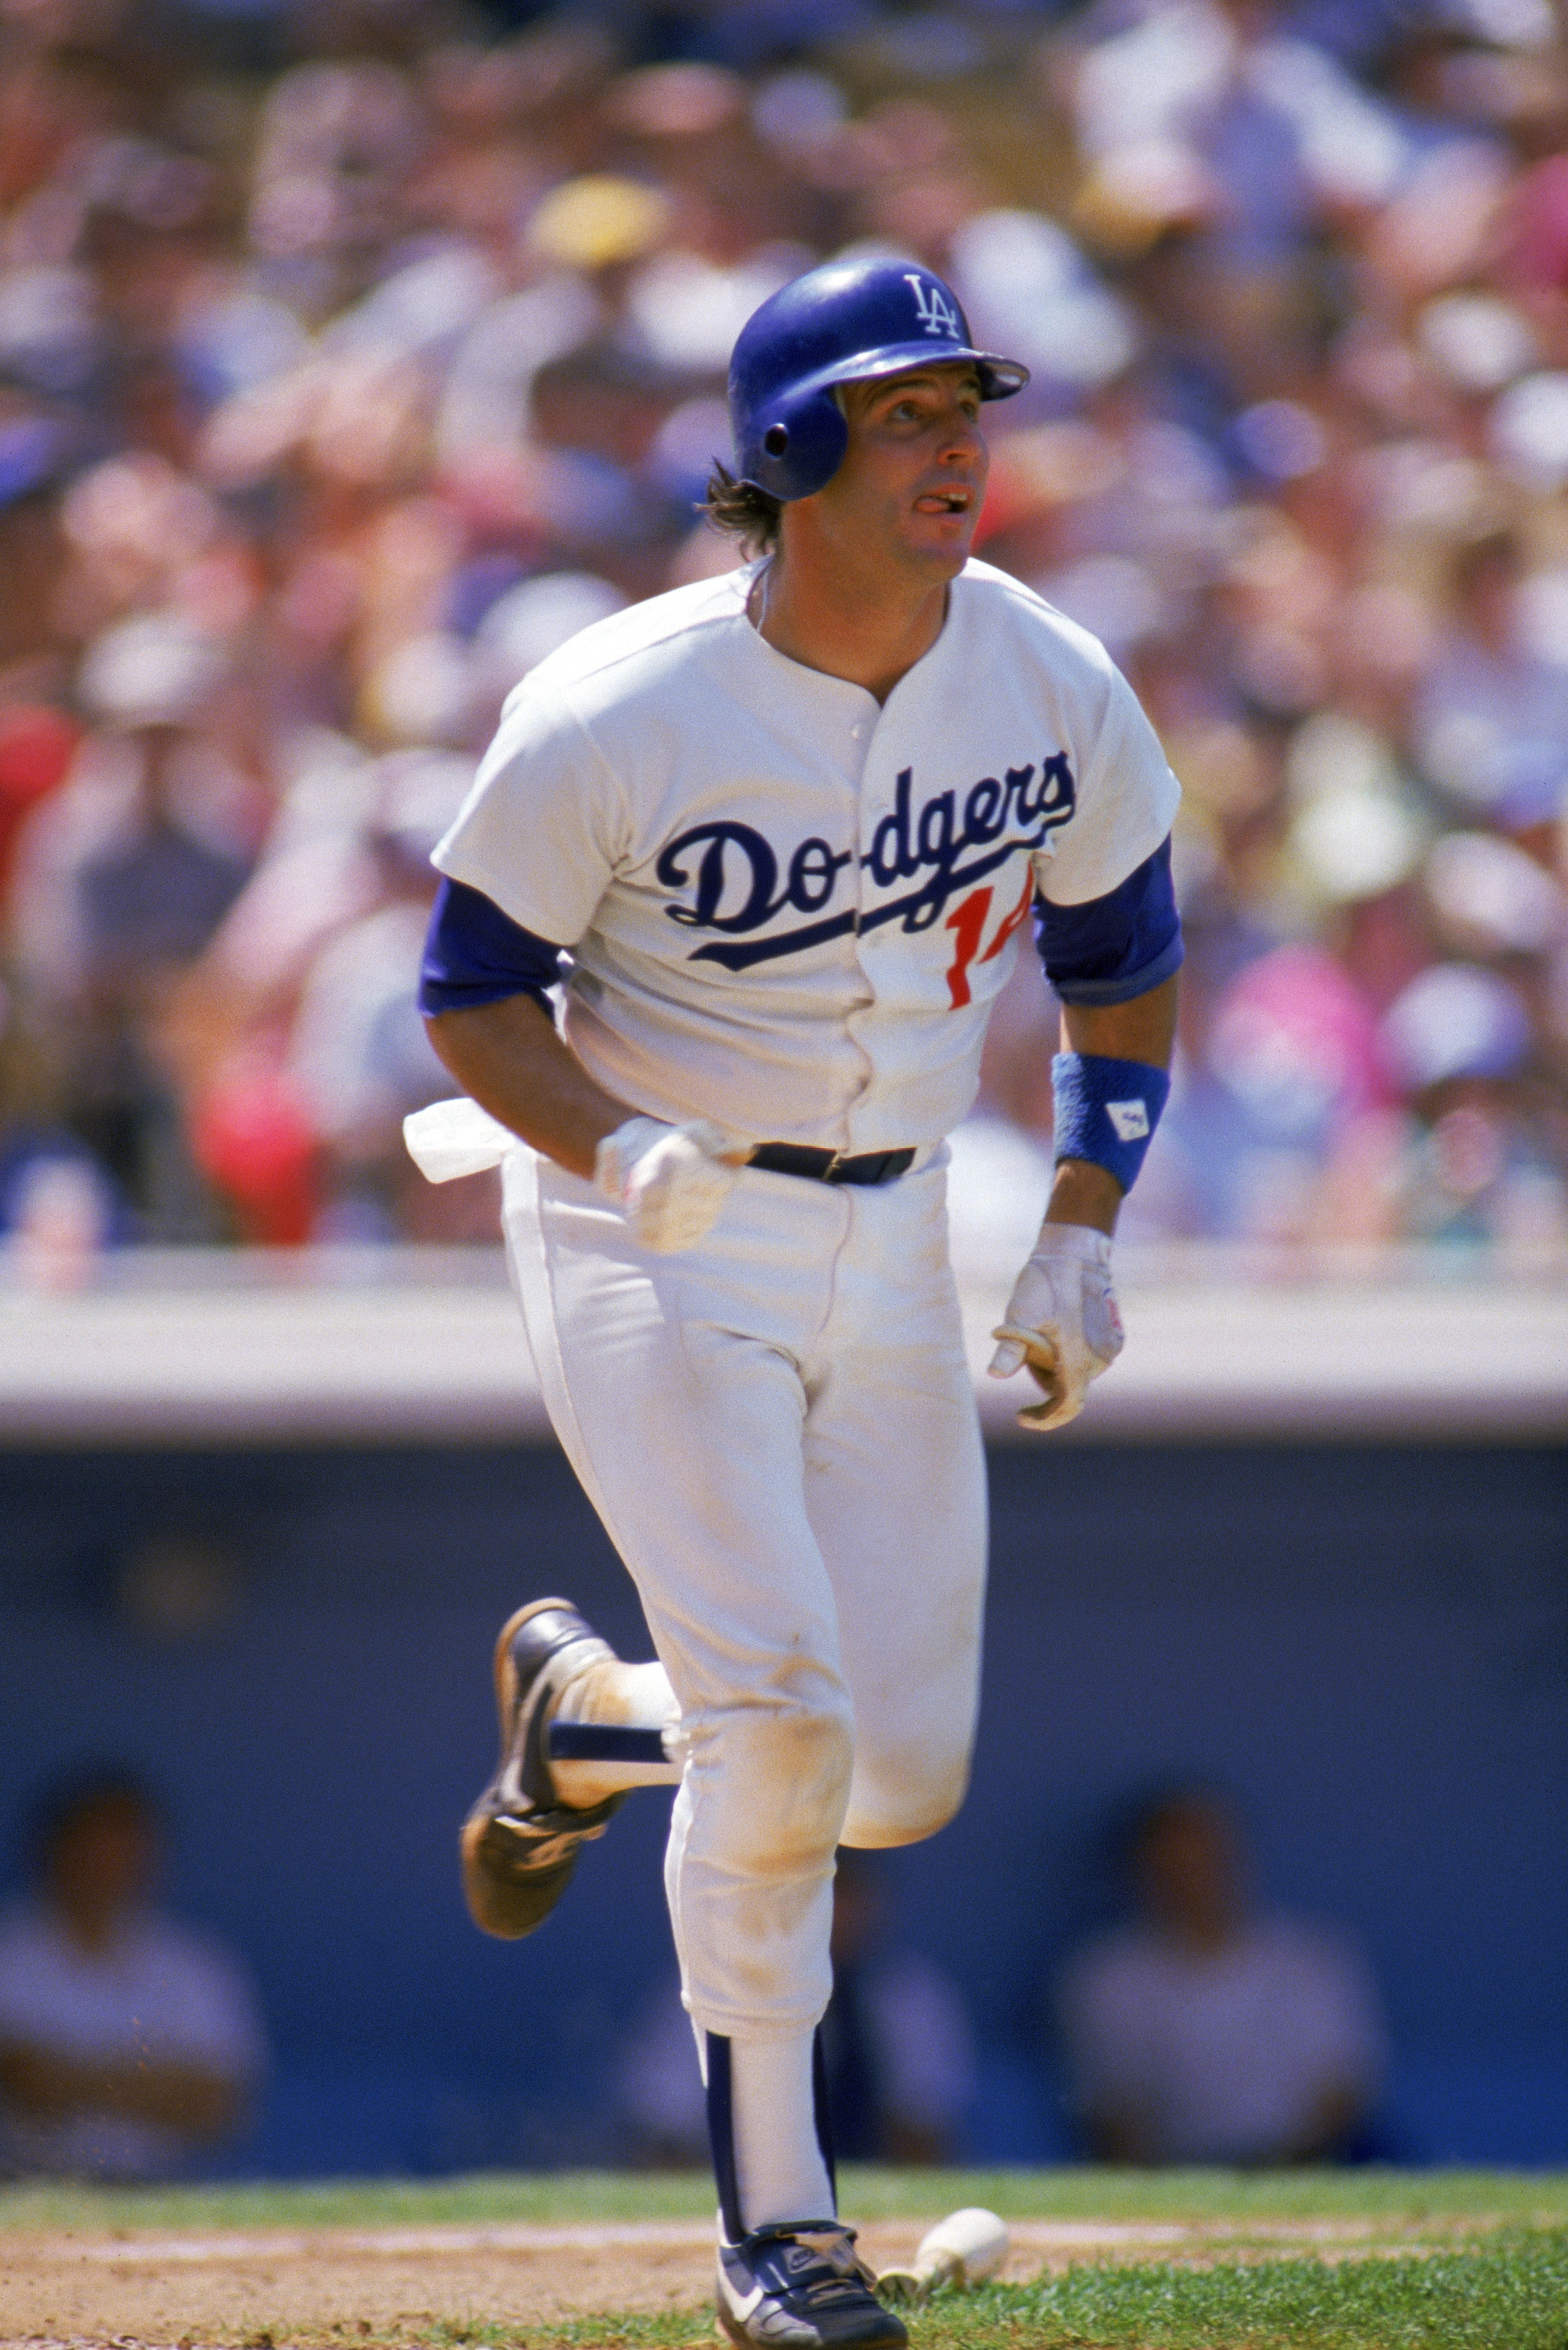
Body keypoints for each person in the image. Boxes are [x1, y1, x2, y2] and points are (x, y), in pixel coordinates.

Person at [411, 256, 1183, 2349]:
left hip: (897, 1217)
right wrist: (613, 1145)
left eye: (964, 407)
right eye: (906, 410)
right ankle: (779, 2223)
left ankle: (585, 1720)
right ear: (787, 453)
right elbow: (469, 995)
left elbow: (1119, 954)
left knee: (892, 1772)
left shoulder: (1042, 675)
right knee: (789, 1730)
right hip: (647, 1223)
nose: (956, 444)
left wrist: (1087, 1219)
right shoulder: (617, 700)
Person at [1055, 1787, 1385, 2167]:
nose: (1190, 1876)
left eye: (1202, 1856)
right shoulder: (1104, 1976)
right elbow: (1118, 2115)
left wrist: (1283, 2171)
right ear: (1141, 1871)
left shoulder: (1313, 1958)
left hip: (1317, 2164)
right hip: (1181, 2171)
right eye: (1171, 1861)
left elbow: (1345, 2092)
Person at [0, 1770, 267, 2180]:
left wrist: (68, 2077)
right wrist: (150, 2082)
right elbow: (21, 2081)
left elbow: (217, 2103)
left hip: (161, 2190)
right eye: (93, 1847)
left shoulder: (195, 1962)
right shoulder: (11, 1952)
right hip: (23, 2185)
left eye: (126, 1848)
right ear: (54, 1850)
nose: (111, 1864)